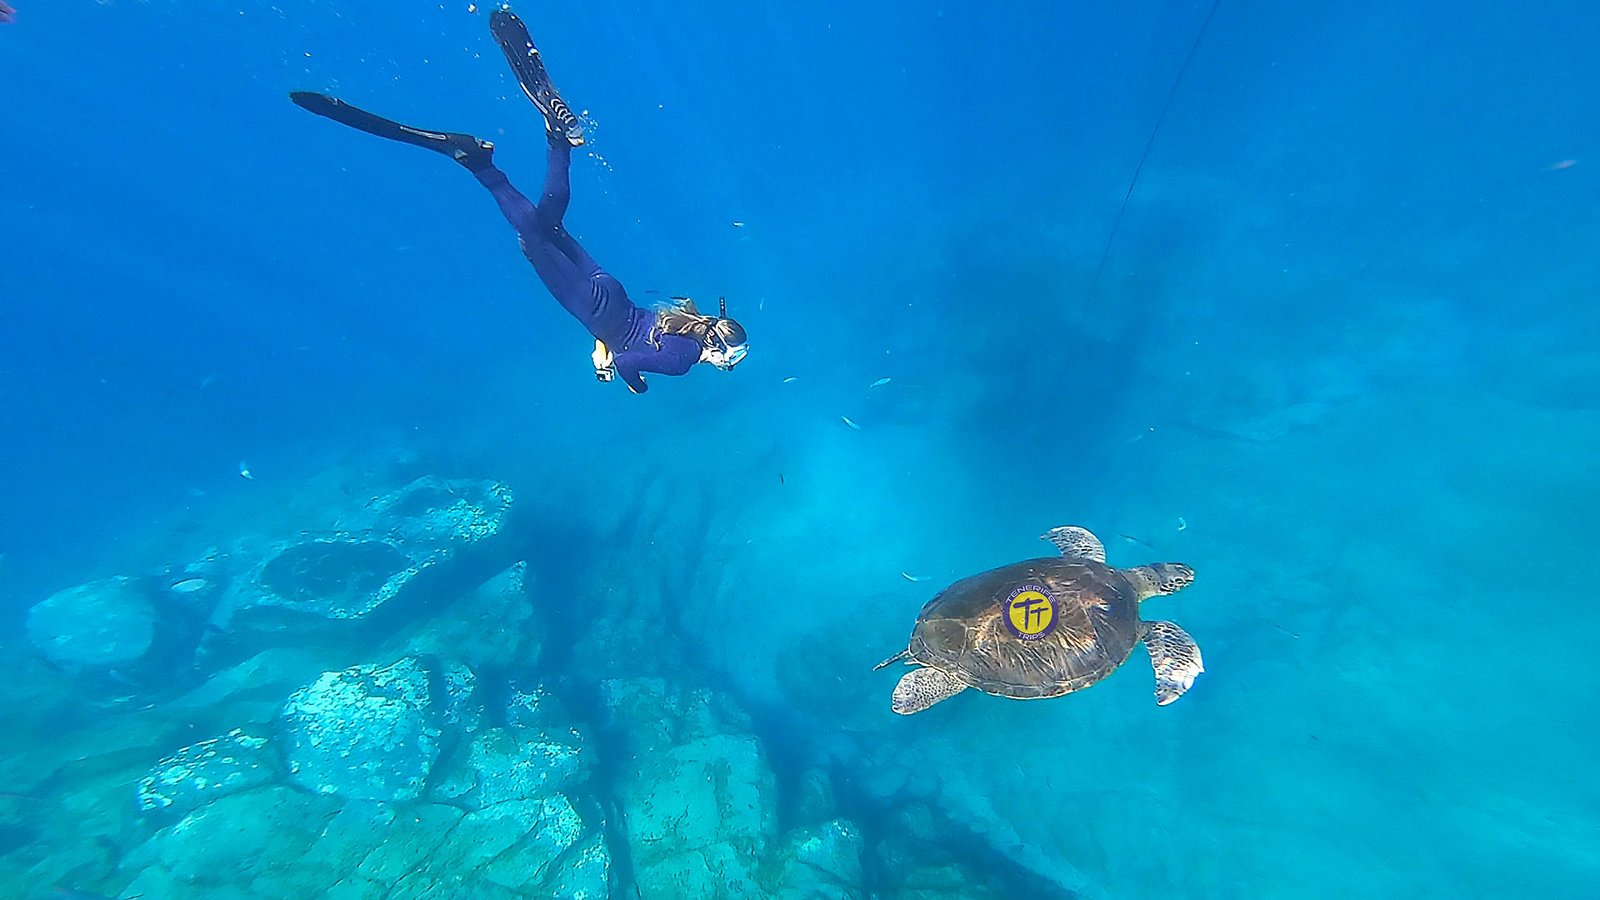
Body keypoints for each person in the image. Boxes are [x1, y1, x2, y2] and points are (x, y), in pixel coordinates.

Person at [290, 8, 747, 394]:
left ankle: (535, 145)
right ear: (717, 348)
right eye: (733, 358)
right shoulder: (685, 360)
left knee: (546, 225)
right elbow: (631, 362)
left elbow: (629, 336)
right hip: (590, 304)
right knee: (530, 233)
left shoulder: (689, 322)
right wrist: (628, 381)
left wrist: (604, 345)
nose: (730, 364)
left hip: (609, 288)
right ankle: (487, 159)